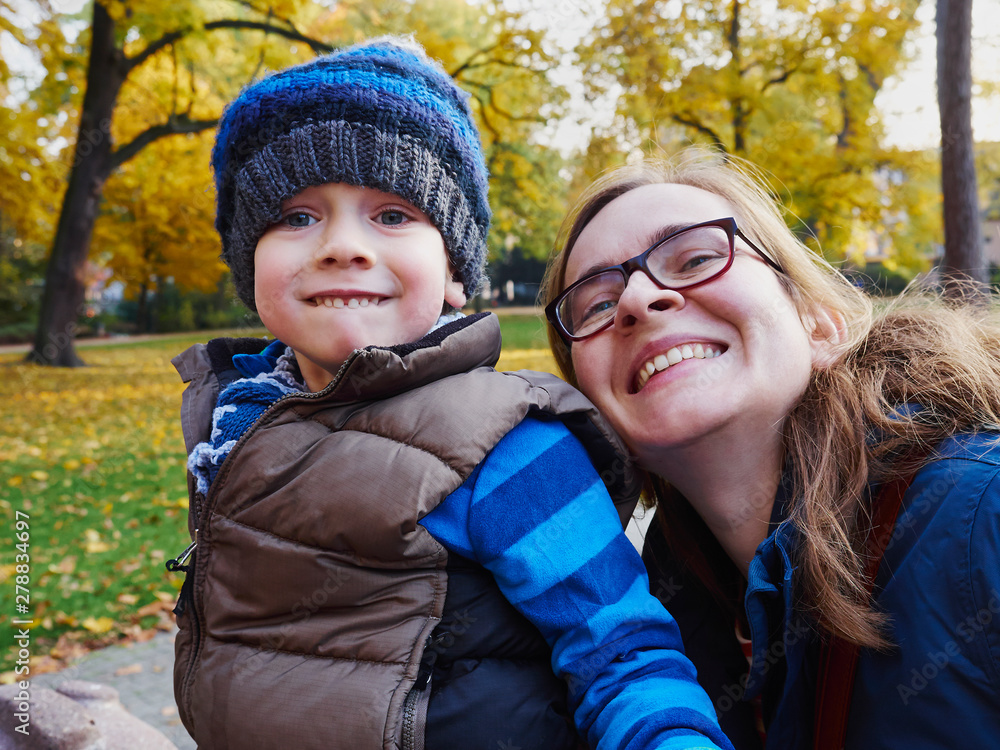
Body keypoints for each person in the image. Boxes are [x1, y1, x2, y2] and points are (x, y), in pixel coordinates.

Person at [167, 40, 735, 750]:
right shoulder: (236, 423)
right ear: (249, 264)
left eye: (393, 215)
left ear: (456, 272)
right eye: (296, 217)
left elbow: (621, 654)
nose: (343, 246)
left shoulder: (502, 442)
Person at [541, 149, 1000, 749]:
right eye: (596, 304)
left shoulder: (981, 514)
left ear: (819, 323)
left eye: (696, 258)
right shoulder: (634, 629)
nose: (637, 299)